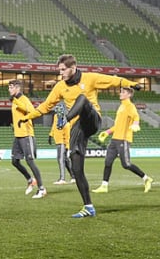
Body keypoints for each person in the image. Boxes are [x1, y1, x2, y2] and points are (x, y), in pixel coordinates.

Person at [24, 54, 140, 218]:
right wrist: (27, 117)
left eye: (63, 70)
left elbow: (113, 81)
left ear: (73, 68)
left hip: (93, 119)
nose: (61, 73)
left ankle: (65, 118)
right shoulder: (60, 87)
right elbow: (45, 106)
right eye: (59, 70)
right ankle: (88, 207)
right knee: (76, 167)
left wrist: (131, 83)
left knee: (83, 98)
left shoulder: (90, 78)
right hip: (77, 128)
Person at [93, 86, 153, 194]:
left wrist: (135, 124)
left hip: (124, 139)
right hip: (115, 139)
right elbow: (117, 125)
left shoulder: (130, 106)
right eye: (121, 91)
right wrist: (107, 132)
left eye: (123, 92)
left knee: (126, 164)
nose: (120, 93)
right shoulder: (121, 106)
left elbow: (136, 117)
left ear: (129, 95)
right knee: (107, 162)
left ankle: (146, 178)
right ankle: (104, 186)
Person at [7, 79, 47, 200]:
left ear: (17, 88)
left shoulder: (23, 99)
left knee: (30, 161)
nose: (9, 89)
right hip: (18, 135)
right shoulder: (15, 101)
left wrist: (16, 102)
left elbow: (31, 111)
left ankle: (42, 189)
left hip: (27, 134)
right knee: (14, 161)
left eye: (11, 87)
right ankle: (30, 180)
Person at [48, 101, 73, 185]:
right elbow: (53, 126)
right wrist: (50, 135)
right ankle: (73, 176)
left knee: (60, 159)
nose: (57, 111)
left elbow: (67, 136)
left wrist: (67, 147)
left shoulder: (66, 123)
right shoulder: (56, 117)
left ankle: (62, 178)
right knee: (65, 160)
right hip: (58, 141)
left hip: (62, 143)